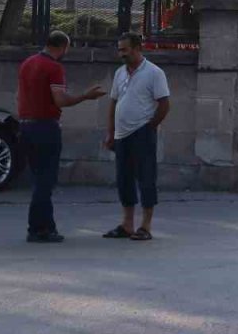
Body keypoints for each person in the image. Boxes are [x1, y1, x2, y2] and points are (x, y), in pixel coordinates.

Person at [17, 30, 106, 243]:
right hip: (45, 127)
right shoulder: (54, 67)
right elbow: (60, 100)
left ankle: (45, 225)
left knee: (38, 178)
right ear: (63, 47)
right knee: (46, 180)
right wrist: (85, 96)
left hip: (26, 125)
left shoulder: (28, 63)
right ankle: (39, 228)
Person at [102, 32, 170, 242]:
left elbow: (164, 104)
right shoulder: (120, 73)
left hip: (142, 132)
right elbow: (114, 102)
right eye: (119, 50)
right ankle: (127, 224)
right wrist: (111, 132)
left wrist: (150, 127)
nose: (121, 54)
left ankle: (145, 225)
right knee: (124, 179)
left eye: (125, 49)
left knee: (146, 177)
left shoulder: (154, 73)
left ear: (137, 48)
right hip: (121, 134)